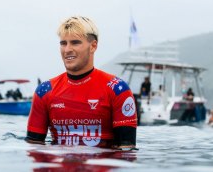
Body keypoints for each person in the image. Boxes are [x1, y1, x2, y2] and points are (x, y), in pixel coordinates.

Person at [25, 16, 137, 150]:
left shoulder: (117, 89)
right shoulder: (44, 91)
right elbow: (34, 149)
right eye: (63, 43)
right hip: (59, 168)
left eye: (75, 42)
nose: (67, 50)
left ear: (93, 46)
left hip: (102, 167)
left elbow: (126, 152)